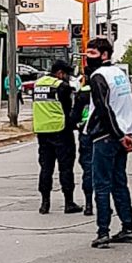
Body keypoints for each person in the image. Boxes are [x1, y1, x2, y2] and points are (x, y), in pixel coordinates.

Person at [83, 38, 132, 249]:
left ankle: (103, 231)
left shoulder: (98, 77)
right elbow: (130, 106)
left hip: (106, 136)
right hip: (123, 134)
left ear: (104, 55)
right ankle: (128, 227)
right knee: (119, 183)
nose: (87, 58)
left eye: (92, 53)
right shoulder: (119, 75)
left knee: (101, 185)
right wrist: (130, 134)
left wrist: (117, 135)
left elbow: (103, 109)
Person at [32, 60, 83, 215]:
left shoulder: (37, 84)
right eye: (66, 74)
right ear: (60, 73)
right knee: (65, 168)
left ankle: (44, 203)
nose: (67, 77)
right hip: (61, 131)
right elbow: (69, 110)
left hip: (42, 131)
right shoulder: (62, 86)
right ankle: (69, 203)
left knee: (46, 168)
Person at [71, 72, 94, 216]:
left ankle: (89, 204)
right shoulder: (106, 88)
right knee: (105, 171)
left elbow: (75, 115)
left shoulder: (82, 93)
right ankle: (105, 205)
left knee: (88, 168)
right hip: (104, 134)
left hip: (85, 132)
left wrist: (75, 125)